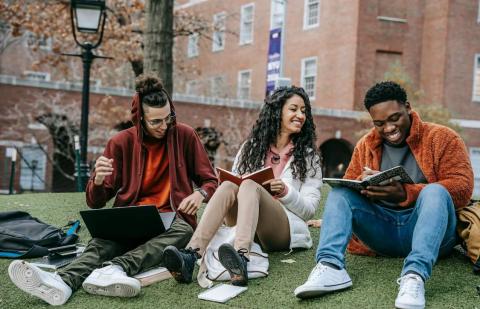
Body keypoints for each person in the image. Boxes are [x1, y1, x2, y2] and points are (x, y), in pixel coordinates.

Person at [8, 74, 218, 306]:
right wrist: (97, 181)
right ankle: (63, 282)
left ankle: (116, 268)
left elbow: (211, 181)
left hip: (171, 218)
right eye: (155, 121)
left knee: (185, 232)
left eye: (169, 118)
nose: (165, 126)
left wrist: (200, 193)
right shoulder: (119, 143)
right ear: (139, 119)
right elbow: (95, 202)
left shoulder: (185, 135)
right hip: (131, 216)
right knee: (101, 243)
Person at [295, 81, 474, 309]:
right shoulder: (366, 144)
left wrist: (406, 194)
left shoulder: (443, 138)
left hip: (433, 236)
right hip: (383, 233)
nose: (388, 128)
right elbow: (349, 188)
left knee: (435, 191)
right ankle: (330, 268)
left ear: (408, 107)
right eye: (379, 123)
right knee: (341, 191)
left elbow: (463, 187)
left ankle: (414, 276)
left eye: (394, 118)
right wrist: (364, 189)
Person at [162, 86, 323, 287]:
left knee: (250, 186)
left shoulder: (308, 156)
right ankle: (191, 255)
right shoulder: (251, 147)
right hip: (244, 223)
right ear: (277, 111)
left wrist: (285, 192)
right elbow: (234, 187)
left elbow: (309, 210)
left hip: (282, 230)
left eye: (303, 111)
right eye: (294, 109)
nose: (300, 115)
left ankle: (241, 258)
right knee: (230, 184)